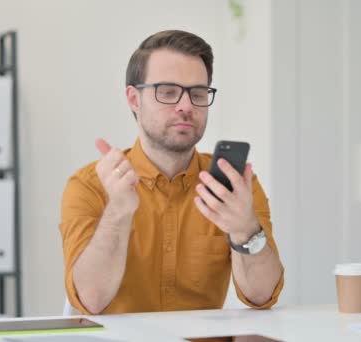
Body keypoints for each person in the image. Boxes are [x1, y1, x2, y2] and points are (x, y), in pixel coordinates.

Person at [59, 30, 284, 314]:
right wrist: (118, 211)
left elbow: (262, 295)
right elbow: (90, 299)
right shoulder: (89, 185)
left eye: (198, 93)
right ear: (133, 99)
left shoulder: (233, 187)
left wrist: (244, 230)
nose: (186, 106)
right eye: (167, 92)